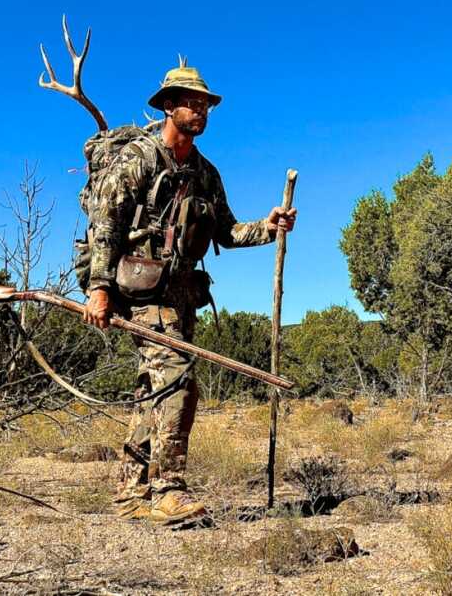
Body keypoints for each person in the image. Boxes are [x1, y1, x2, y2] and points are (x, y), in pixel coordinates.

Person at [82, 58, 296, 523]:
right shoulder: (137, 160)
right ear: (169, 108)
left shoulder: (206, 172)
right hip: (139, 291)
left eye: (205, 106)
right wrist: (98, 288)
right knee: (178, 381)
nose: (200, 113)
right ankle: (167, 487)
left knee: (154, 388)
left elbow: (226, 232)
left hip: (182, 296)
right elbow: (106, 223)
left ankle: (129, 492)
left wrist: (269, 226)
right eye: (192, 104)